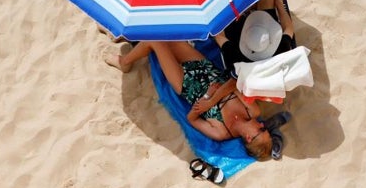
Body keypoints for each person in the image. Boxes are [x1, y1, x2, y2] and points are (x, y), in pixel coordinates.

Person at [105, 41, 273, 160]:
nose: (262, 124)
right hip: (204, 67)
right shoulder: (252, 111)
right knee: (167, 35)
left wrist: (208, 97)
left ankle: (124, 62)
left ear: (249, 138)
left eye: (262, 130)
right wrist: (212, 99)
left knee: (156, 41)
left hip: (186, 84)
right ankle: (131, 38)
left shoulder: (222, 133)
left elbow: (191, 119)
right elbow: (234, 83)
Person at [214, 0, 296, 78]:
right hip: (261, 29)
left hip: (237, 34)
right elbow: (289, 29)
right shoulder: (279, 51)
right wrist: (279, 3)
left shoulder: (236, 58)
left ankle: (245, 7)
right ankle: (250, 6)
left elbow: (219, 36)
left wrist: (229, 14)